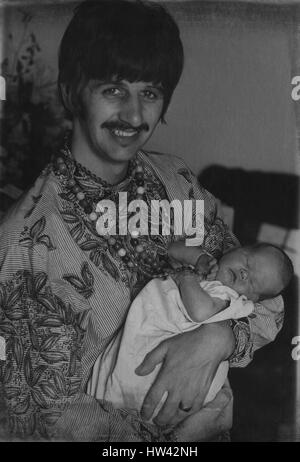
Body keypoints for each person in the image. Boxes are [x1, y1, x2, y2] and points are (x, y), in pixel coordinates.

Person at [0, 0, 284, 442]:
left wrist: (219, 337)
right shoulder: (28, 237)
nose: (134, 116)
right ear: (71, 91)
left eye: (149, 92)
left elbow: (269, 299)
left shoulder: (177, 183)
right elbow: (40, 414)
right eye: (114, 89)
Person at [88, 242, 293, 425]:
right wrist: (199, 258)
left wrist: (187, 278)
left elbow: (199, 311)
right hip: (159, 334)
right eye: (247, 261)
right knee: (118, 369)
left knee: (131, 375)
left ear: (252, 299)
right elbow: (172, 249)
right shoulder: (209, 266)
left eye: (252, 283)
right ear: (234, 249)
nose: (244, 273)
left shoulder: (227, 296)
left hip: (169, 348)